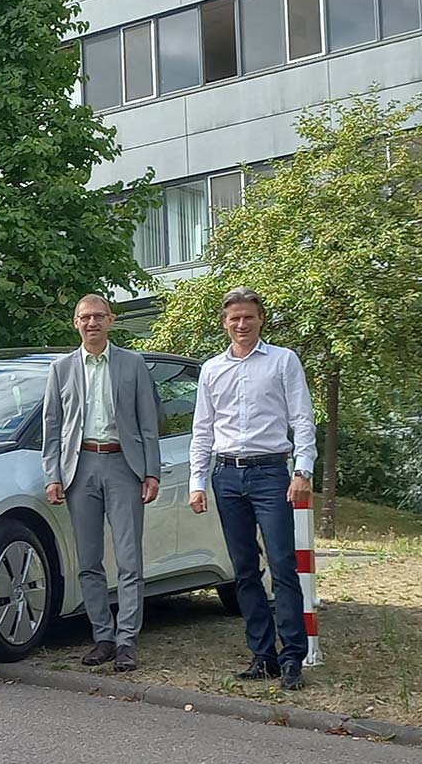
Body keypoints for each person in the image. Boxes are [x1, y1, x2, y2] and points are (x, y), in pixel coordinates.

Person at [189, 287, 315, 692]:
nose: (241, 324)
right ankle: (263, 655)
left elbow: (303, 418)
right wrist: (197, 481)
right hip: (227, 477)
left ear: (260, 320)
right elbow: (202, 429)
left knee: (282, 565)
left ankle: (293, 655)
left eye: (248, 317)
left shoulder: (283, 361)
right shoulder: (211, 369)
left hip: (270, 474)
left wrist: (303, 470)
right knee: (244, 570)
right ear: (224, 323)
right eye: (234, 318)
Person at [42, 294, 161, 673]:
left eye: (98, 316)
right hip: (81, 468)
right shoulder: (61, 368)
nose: (91, 323)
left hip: (123, 465)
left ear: (111, 320)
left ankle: (127, 641)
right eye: (84, 317)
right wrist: (53, 476)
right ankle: (103, 637)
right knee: (89, 561)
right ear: (75, 323)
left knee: (129, 560)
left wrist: (151, 471)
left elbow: (148, 424)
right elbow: (53, 427)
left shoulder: (133, 364)